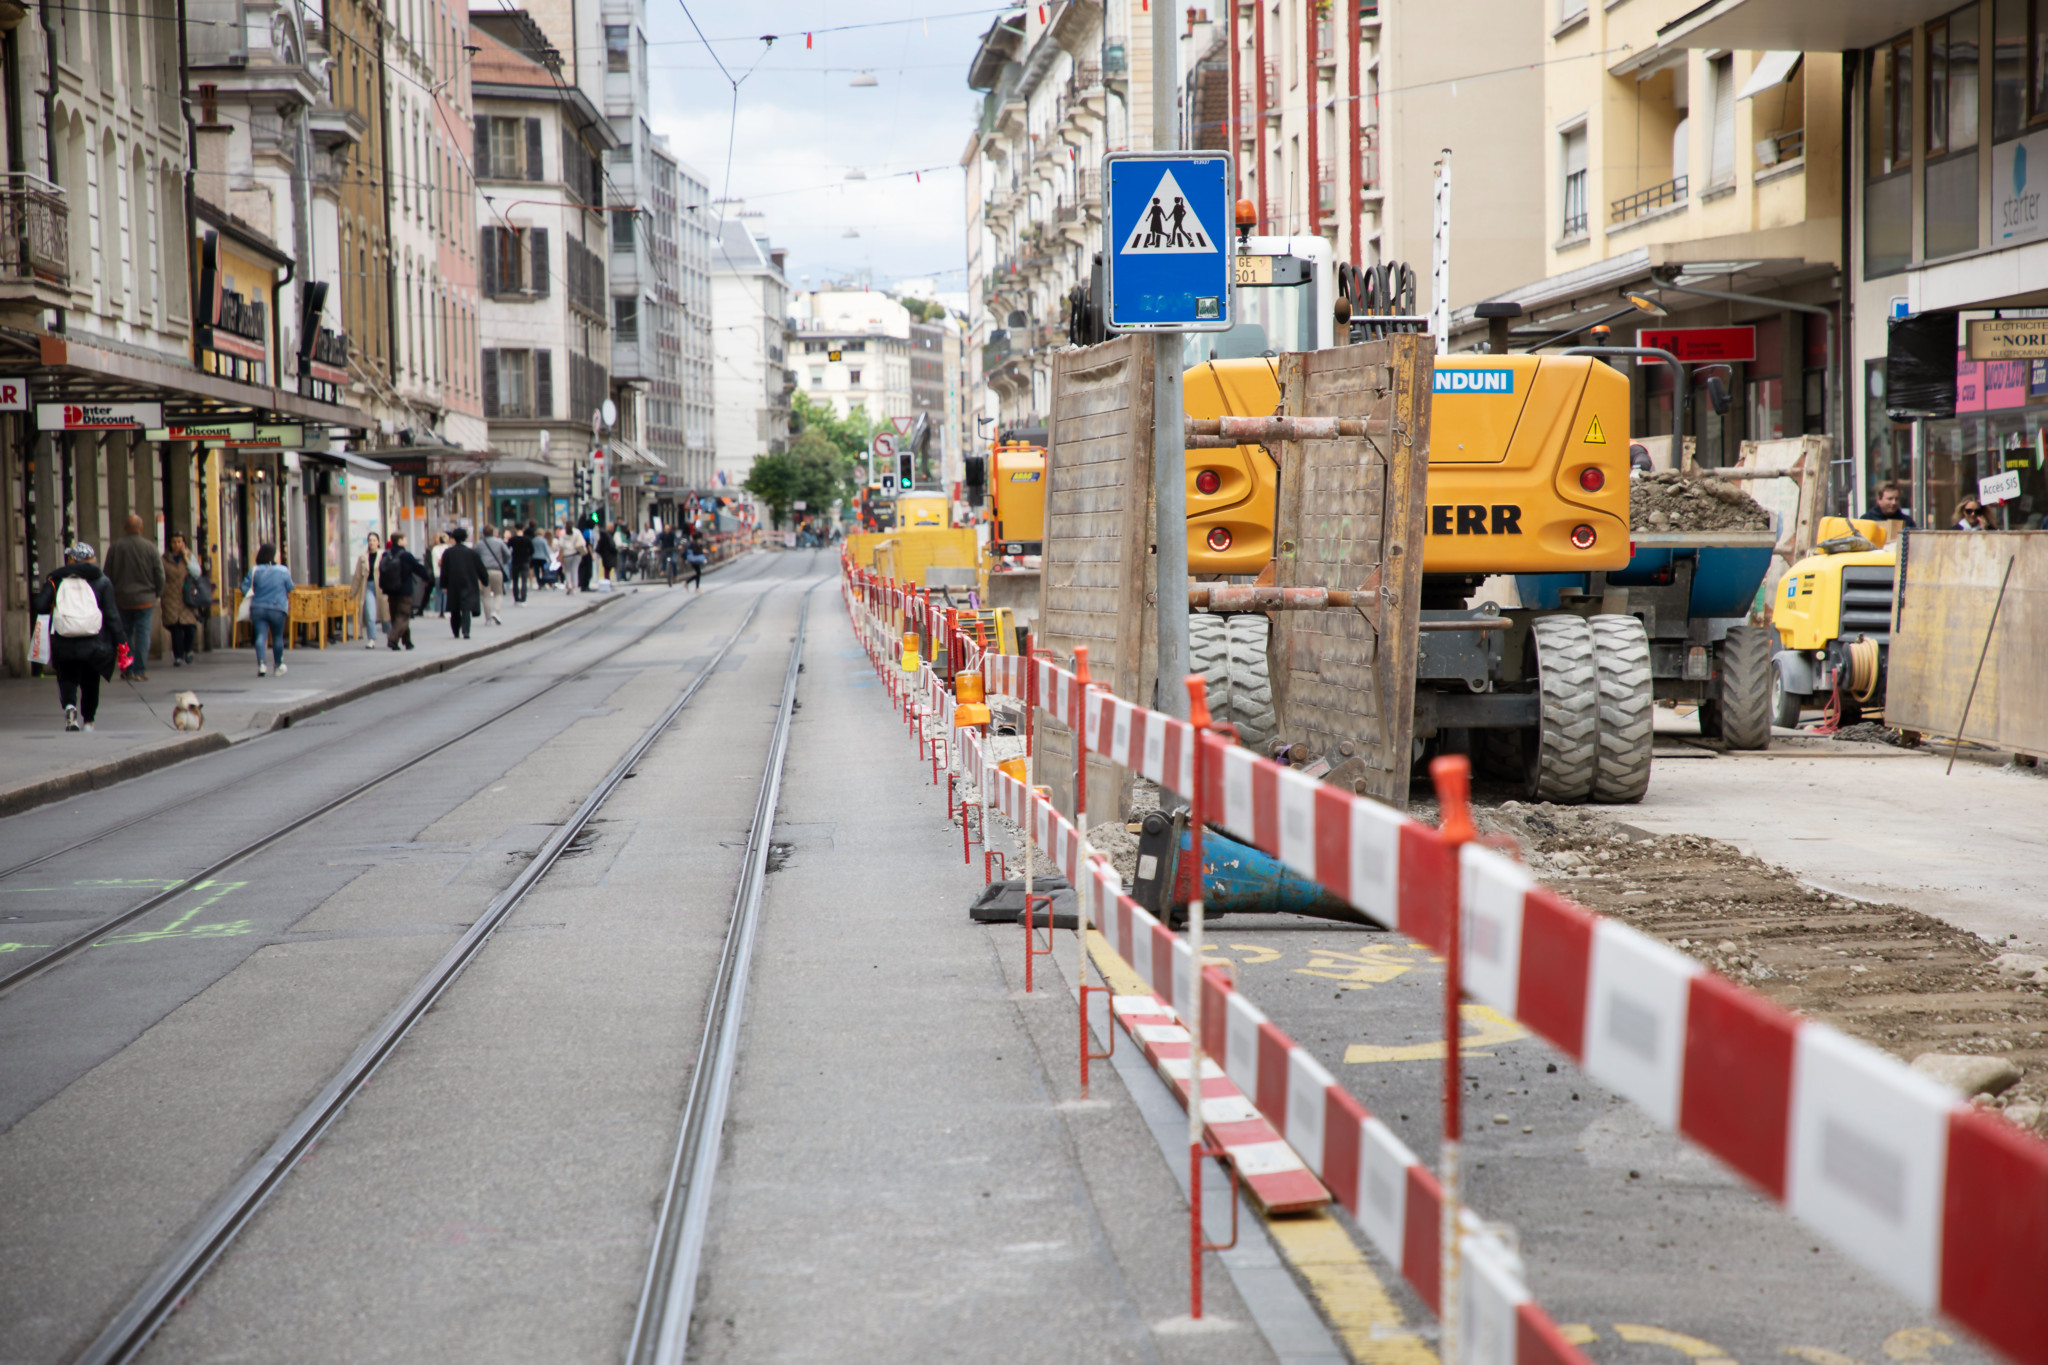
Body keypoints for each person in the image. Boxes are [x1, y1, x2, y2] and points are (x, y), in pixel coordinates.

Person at [35, 542, 127, 732]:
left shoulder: (56, 580)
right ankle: (89, 722)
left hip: (64, 639)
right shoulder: (102, 581)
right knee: (91, 681)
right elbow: (112, 615)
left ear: (70, 560)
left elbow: (40, 605)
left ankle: (70, 707)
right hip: (94, 641)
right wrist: (121, 642)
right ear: (92, 560)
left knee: (67, 676)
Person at [103, 512, 164, 681]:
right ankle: (139, 670)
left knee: (124, 635)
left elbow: (107, 574)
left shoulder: (115, 547)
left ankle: (127, 669)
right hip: (145, 599)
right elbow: (159, 574)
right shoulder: (150, 547)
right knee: (143, 633)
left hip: (122, 599)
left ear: (125, 528)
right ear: (141, 528)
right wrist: (157, 593)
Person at [241, 542, 294, 677]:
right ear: (273, 555)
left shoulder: (254, 570)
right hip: (277, 608)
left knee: (260, 636)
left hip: (258, 607)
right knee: (277, 637)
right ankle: (278, 665)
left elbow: (244, 588)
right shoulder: (283, 570)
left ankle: (262, 665)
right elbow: (290, 587)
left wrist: (252, 595)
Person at [378, 532, 430, 650]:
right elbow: (418, 568)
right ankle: (392, 639)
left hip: (390, 590)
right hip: (404, 591)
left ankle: (407, 642)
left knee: (396, 616)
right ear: (400, 541)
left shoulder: (386, 554)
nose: (406, 541)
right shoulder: (406, 555)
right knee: (403, 616)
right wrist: (427, 578)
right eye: (405, 539)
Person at [160, 533, 202, 666]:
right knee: (175, 628)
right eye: (174, 542)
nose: (177, 545)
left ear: (184, 543)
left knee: (190, 627)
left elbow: (196, 573)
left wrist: (186, 558)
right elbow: (160, 575)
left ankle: (188, 649)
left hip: (186, 597)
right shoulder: (165, 559)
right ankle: (178, 656)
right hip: (171, 597)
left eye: (179, 542)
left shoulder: (189, 556)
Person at [439, 526, 485, 639]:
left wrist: (444, 585)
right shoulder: (471, 553)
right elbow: (480, 568)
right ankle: (466, 631)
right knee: (466, 608)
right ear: (465, 538)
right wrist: (485, 580)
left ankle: (456, 631)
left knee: (455, 608)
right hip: (468, 583)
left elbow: (444, 570)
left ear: (453, 537)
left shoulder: (448, 553)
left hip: (453, 584)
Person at [350, 531, 384, 647]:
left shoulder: (383, 556)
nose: (371, 543)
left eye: (374, 540)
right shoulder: (363, 558)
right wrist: (352, 593)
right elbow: (357, 576)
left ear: (378, 542)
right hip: (368, 587)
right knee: (370, 613)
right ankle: (371, 639)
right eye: (370, 540)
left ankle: (391, 636)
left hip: (381, 588)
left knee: (386, 614)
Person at [480, 524, 510, 624]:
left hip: (484, 571)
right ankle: (496, 612)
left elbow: (475, 556)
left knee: (486, 595)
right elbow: (508, 554)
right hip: (497, 570)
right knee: (498, 593)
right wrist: (502, 563)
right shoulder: (499, 542)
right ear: (493, 532)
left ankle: (488, 618)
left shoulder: (480, 544)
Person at [428, 531, 452, 615]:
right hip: (447, 573)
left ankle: (438, 610)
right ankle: (445, 610)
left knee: (438, 592)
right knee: (446, 592)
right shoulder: (448, 549)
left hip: (437, 573)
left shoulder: (435, 549)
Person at [508, 523, 533, 603]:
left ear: (515, 529)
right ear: (523, 529)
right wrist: (527, 555)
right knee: (524, 580)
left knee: (515, 580)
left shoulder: (512, 539)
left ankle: (516, 597)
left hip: (515, 561)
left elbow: (507, 549)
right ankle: (523, 597)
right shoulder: (527, 539)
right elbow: (532, 550)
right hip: (524, 561)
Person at [555, 523, 583, 595]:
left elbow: (560, 544)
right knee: (575, 570)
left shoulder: (563, 533)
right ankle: (574, 587)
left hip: (567, 554)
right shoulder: (577, 532)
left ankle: (569, 584)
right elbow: (582, 542)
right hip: (576, 553)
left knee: (567, 570)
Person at [657, 521, 679, 586]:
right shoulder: (662, 534)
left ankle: (675, 576)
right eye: (666, 529)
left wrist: (679, 544)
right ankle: (663, 570)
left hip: (672, 549)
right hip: (664, 549)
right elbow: (657, 539)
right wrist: (655, 545)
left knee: (674, 561)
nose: (667, 530)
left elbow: (677, 539)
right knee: (663, 558)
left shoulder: (672, 534)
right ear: (664, 529)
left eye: (668, 529)